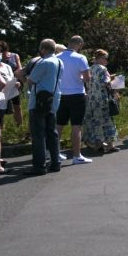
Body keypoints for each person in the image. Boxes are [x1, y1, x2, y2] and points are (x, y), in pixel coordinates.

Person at [24, 39, 64, 175]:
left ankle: (39, 165)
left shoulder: (44, 62)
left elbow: (32, 79)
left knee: (38, 134)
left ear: (43, 49)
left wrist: (24, 77)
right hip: (53, 99)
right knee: (52, 133)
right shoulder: (59, 61)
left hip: (40, 100)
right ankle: (55, 162)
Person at [56, 35, 92, 165]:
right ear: (80, 44)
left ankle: (55, 153)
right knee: (76, 126)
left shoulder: (57, 57)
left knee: (59, 125)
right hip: (76, 94)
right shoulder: (81, 58)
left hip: (61, 94)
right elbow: (87, 78)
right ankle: (76, 155)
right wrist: (79, 78)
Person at [82, 49, 120, 153]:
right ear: (101, 58)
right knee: (107, 121)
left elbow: (86, 82)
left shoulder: (89, 69)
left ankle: (97, 144)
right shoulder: (103, 69)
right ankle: (110, 145)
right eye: (106, 58)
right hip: (102, 99)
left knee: (95, 122)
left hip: (92, 99)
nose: (107, 61)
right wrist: (113, 79)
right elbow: (106, 83)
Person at [0, 40, 23, 125]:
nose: (3, 55)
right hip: (1, 84)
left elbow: (19, 69)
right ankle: (1, 125)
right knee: (1, 105)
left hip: (14, 83)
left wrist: (16, 80)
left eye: (4, 52)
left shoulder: (14, 56)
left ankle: (19, 124)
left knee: (17, 105)